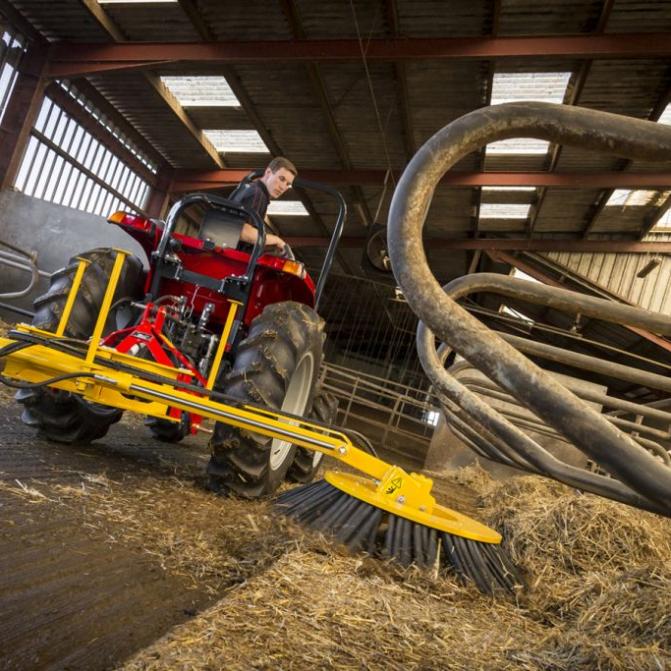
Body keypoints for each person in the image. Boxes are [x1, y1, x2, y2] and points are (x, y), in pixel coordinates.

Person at [233, 157, 297, 255]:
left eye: (287, 184)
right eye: (281, 179)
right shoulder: (257, 194)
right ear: (268, 172)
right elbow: (243, 231)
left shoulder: (250, 188)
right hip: (230, 256)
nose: (283, 187)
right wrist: (277, 240)